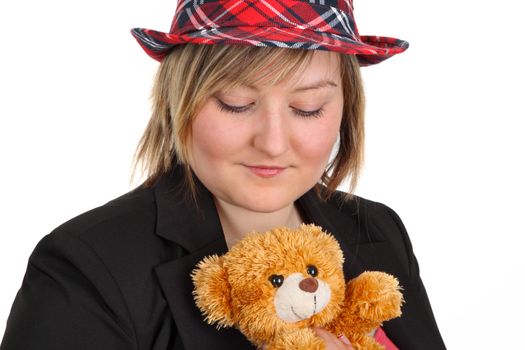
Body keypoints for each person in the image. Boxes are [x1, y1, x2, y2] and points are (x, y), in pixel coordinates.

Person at [0, 0, 446, 349]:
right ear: (179, 100)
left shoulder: (378, 229)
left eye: (307, 107)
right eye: (235, 103)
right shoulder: (88, 264)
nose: (272, 142)